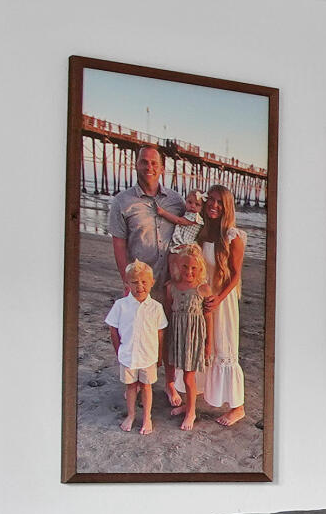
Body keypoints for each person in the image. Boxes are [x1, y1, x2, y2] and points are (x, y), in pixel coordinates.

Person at [107, 144, 196, 400]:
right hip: (140, 282)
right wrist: (126, 279)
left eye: (154, 163)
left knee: (164, 331)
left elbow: (193, 228)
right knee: (134, 331)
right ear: (136, 164)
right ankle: (133, 382)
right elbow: (118, 241)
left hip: (169, 279)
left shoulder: (176, 201)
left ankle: (169, 383)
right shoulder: (123, 202)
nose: (149, 167)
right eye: (144, 162)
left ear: (162, 168)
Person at [194, 184, 248, 427]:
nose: (214, 205)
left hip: (222, 300)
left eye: (219, 202)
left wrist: (219, 298)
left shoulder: (232, 236)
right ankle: (198, 395)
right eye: (210, 200)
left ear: (227, 208)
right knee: (202, 346)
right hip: (201, 297)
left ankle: (238, 407)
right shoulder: (200, 231)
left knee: (224, 347)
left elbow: (236, 275)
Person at [106, 261, 165, 434]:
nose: (140, 286)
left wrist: (159, 356)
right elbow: (113, 330)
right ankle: (131, 415)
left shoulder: (156, 307)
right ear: (127, 283)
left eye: (144, 282)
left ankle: (147, 417)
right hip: (128, 355)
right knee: (131, 386)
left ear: (152, 282)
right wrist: (119, 352)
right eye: (135, 282)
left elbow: (160, 333)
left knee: (146, 386)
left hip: (148, 356)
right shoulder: (121, 305)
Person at [164, 243, 210, 431]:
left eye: (193, 268)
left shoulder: (203, 288)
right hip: (175, 333)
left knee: (189, 377)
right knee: (175, 370)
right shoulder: (171, 286)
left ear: (200, 269)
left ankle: (191, 411)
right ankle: (184, 404)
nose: (189, 271)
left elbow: (208, 317)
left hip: (193, 337)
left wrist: (208, 344)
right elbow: (167, 312)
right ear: (178, 265)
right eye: (185, 266)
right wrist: (165, 338)